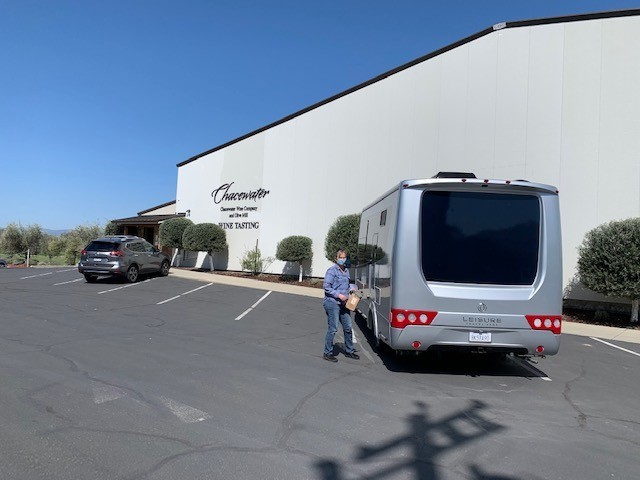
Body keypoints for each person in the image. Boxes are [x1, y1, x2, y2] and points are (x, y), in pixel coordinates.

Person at [322, 249, 359, 362]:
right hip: (332, 303)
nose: (343, 260)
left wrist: (351, 291)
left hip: (344, 304)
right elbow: (326, 287)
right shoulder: (332, 271)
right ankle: (327, 353)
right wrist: (339, 295)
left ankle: (349, 351)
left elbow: (347, 286)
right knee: (333, 328)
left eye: (344, 258)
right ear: (336, 258)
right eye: (341, 257)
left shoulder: (346, 271)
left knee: (348, 327)